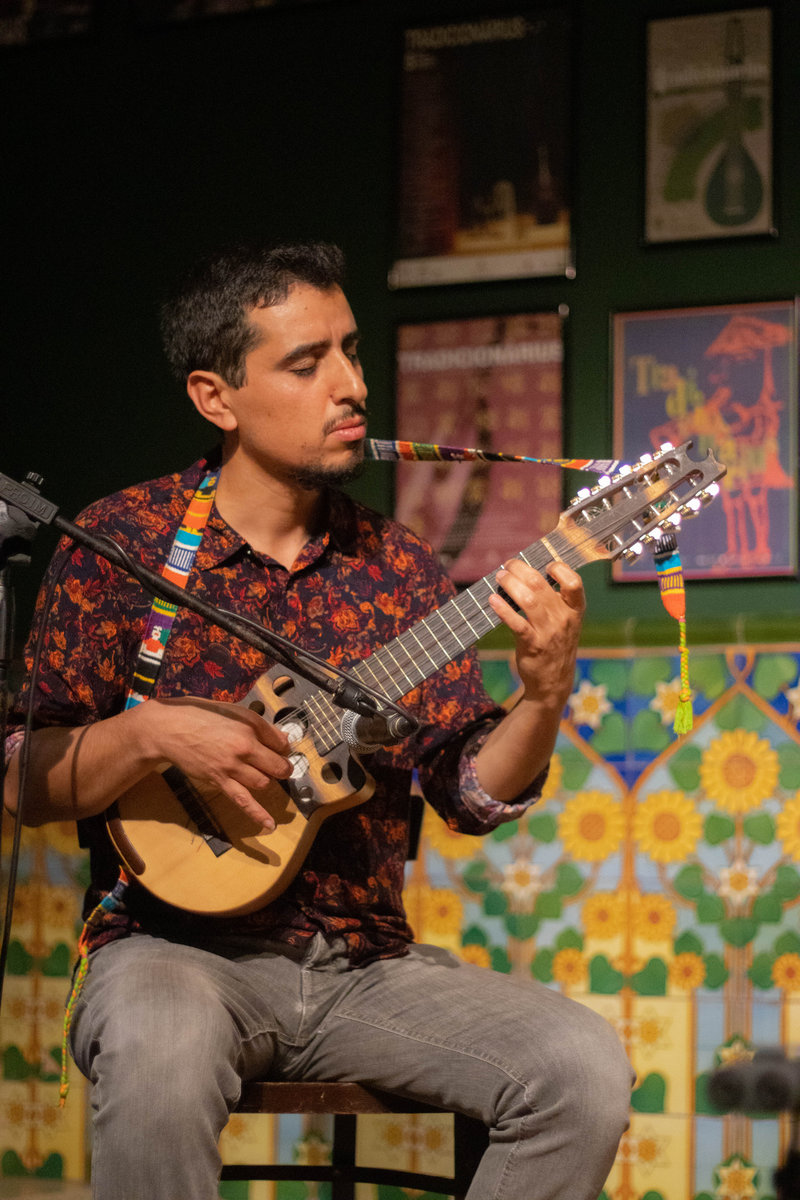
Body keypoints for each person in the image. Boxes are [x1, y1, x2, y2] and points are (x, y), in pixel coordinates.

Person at [3, 242, 633, 1200]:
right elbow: (22, 774)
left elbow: (469, 793)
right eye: (307, 363)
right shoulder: (120, 545)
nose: (352, 386)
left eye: (351, 351)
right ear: (216, 397)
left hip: (364, 967)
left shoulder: (400, 569)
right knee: (159, 1045)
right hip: (170, 954)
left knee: (578, 1069)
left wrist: (544, 696)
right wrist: (149, 734)